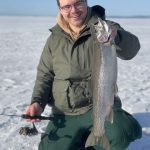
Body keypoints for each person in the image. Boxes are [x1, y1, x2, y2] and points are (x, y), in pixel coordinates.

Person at [25, 0, 142, 149]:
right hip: (65, 111)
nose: (73, 10)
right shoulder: (54, 39)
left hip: (98, 105)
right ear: (60, 9)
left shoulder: (104, 27)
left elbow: (131, 50)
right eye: (67, 6)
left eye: (78, 3)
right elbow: (45, 75)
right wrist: (37, 102)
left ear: (86, 2)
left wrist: (117, 36)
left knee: (122, 133)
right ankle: (81, 137)